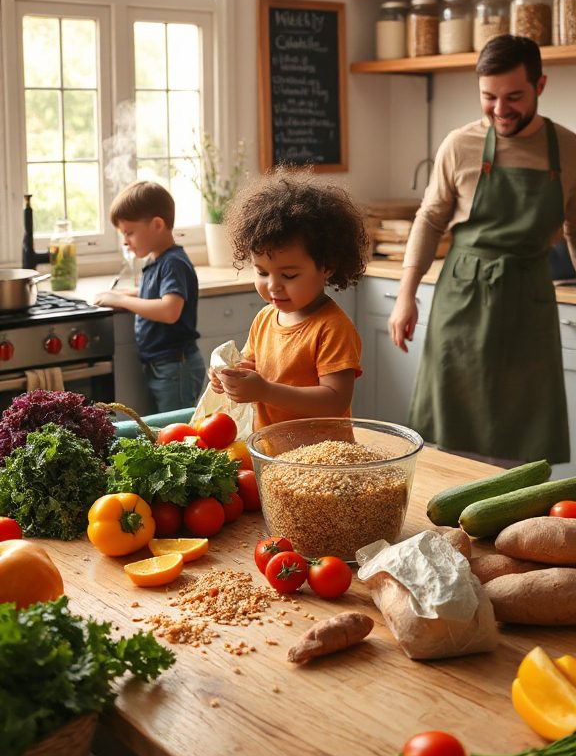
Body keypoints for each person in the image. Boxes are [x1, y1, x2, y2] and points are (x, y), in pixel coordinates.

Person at [388, 34, 576, 466]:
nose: (499, 110)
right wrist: (405, 296)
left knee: (524, 440)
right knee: (452, 434)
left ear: (540, 86)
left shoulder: (567, 148)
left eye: (514, 97)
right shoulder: (460, 145)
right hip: (462, 299)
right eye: (488, 97)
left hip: (529, 301)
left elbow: (575, 228)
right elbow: (430, 218)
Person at [208, 168, 370, 429]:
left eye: (290, 275)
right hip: (271, 455)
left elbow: (335, 400)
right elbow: (251, 368)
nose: (273, 286)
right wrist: (230, 378)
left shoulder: (332, 328)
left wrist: (265, 391)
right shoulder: (264, 318)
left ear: (327, 266)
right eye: (261, 272)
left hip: (318, 459)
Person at [95, 181, 206, 412]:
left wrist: (122, 301)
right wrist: (123, 293)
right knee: (164, 430)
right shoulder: (157, 259)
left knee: (176, 433)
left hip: (176, 366)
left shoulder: (173, 263)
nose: (125, 241)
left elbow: (169, 310)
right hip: (164, 365)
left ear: (157, 224)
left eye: (129, 233)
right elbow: (157, 293)